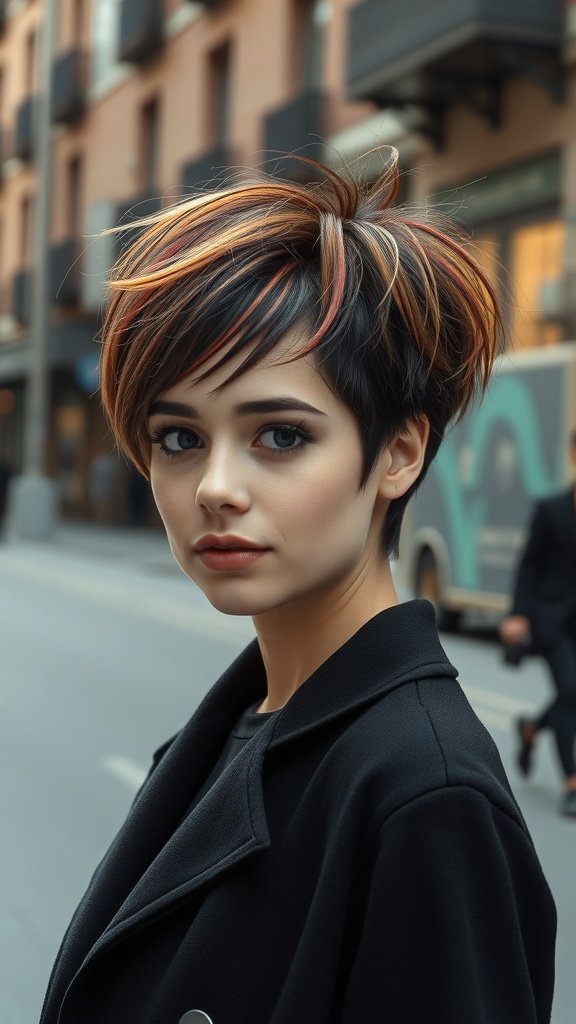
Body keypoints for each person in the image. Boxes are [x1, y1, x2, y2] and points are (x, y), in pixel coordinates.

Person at [40, 151, 556, 1024]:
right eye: (179, 438)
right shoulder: (233, 734)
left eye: (279, 436)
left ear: (398, 453)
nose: (215, 487)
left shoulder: (425, 795)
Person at [500, 428, 576, 818]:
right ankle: (572, 782)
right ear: (572, 455)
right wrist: (518, 613)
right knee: (570, 689)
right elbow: (529, 567)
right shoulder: (551, 510)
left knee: (571, 695)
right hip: (552, 620)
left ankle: (531, 727)